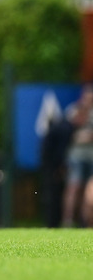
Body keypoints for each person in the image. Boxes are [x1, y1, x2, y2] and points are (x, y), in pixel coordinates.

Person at [61, 83, 93, 227]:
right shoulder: (74, 109)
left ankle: (86, 221)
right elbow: (68, 130)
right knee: (73, 187)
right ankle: (67, 221)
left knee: (89, 190)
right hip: (76, 156)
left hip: (91, 156)